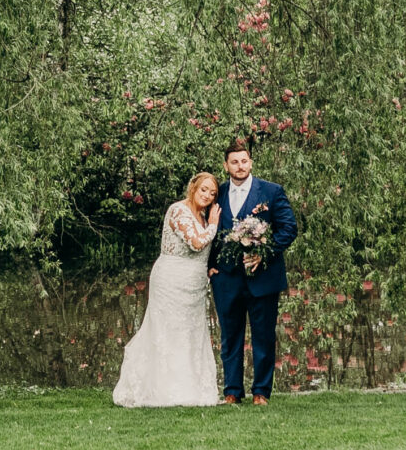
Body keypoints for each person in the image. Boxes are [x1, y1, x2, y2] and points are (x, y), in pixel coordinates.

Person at [110, 172, 223, 408]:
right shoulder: (178, 210)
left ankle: (191, 390)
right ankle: (162, 390)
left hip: (195, 284)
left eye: (212, 193)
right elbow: (196, 243)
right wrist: (213, 225)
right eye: (204, 189)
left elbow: (204, 252)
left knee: (191, 333)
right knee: (167, 332)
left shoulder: (202, 216)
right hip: (171, 280)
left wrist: (211, 267)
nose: (207, 195)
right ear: (193, 187)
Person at [208, 142, 296, 403]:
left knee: (263, 336)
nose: (240, 166)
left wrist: (264, 252)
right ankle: (232, 392)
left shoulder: (271, 192)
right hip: (226, 279)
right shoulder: (217, 193)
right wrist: (209, 264)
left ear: (251, 162)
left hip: (263, 277)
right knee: (230, 338)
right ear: (226, 166)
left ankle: (261, 392)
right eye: (234, 162)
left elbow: (289, 229)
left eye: (244, 161)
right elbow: (207, 231)